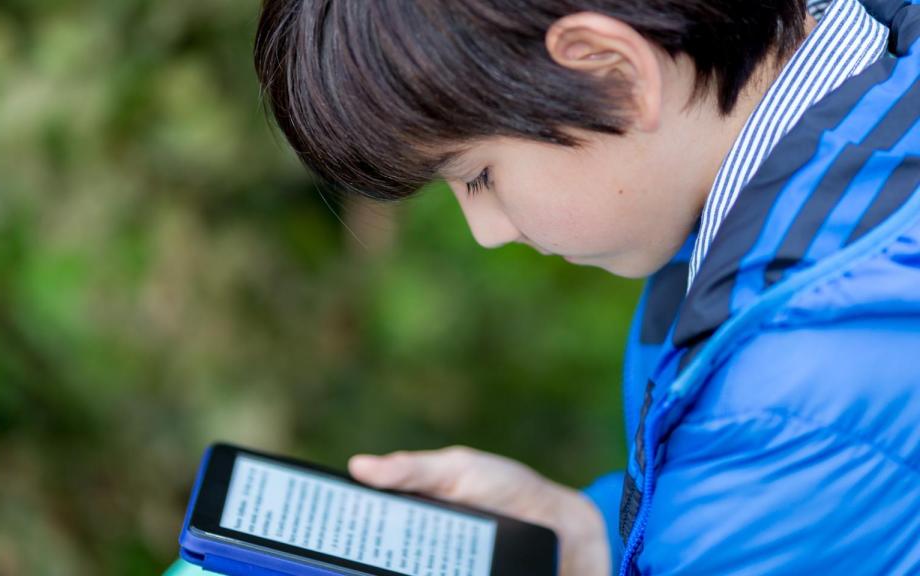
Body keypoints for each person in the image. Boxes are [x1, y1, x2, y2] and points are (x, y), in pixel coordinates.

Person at [254, 0, 920, 574]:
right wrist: (587, 539)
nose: (485, 230)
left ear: (615, 74)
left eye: (477, 176)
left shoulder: (787, 393)